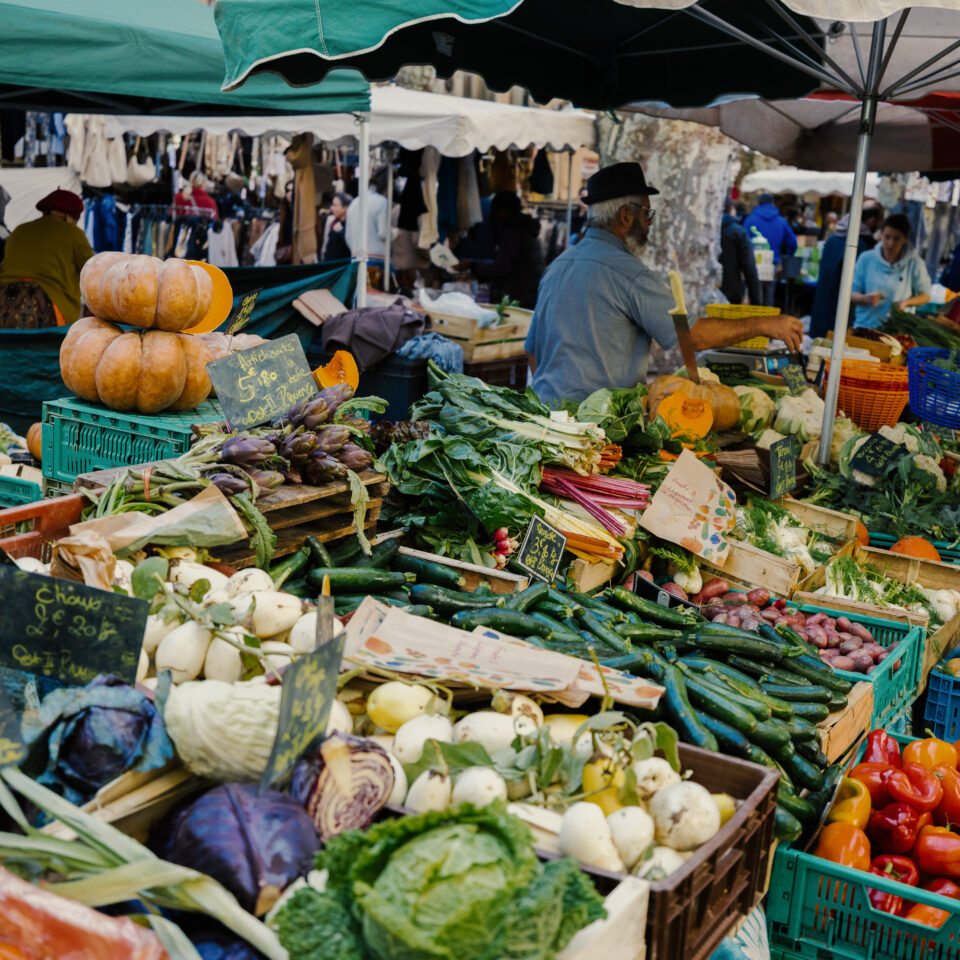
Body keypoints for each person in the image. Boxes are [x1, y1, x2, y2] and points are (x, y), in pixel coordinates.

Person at [524, 163, 803, 403]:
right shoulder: (629, 274)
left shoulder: (557, 266)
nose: (649, 224)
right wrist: (766, 324)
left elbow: (533, 352)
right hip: (598, 430)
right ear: (625, 215)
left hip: (547, 420)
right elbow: (694, 336)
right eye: (647, 214)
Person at [0, 188, 93, 328]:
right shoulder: (74, 234)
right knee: (44, 347)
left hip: (3, 300)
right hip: (44, 305)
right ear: (69, 216)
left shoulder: (19, 231)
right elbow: (91, 274)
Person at [810, 202, 884, 338]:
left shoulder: (833, 238)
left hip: (821, 309)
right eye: (878, 223)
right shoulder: (859, 244)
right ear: (872, 220)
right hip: (841, 314)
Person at [460, 192, 545, 309]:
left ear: (504, 210)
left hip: (521, 293)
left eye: (496, 211)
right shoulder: (524, 228)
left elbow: (502, 266)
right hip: (530, 290)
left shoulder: (513, 231)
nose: (494, 215)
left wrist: (472, 266)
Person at [851, 213, 931, 328]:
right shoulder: (866, 258)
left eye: (896, 239)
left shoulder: (914, 262)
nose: (890, 243)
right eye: (887, 237)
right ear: (881, 235)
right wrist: (865, 299)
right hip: (865, 326)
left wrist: (905, 303)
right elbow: (852, 293)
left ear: (905, 238)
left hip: (897, 329)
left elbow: (926, 295)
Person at [743, 192, 797, 306]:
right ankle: (768, 322)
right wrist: (785, 259)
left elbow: (743, 242)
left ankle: (753, 323)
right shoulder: (782, 221)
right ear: (773, 204)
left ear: (758, 204)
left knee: (754, 299)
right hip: (772, 264)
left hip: (753, 265)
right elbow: (792, 243)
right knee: (768, 299)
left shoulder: (750, 220)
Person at [719, 201, 761, 306]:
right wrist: (756, 302)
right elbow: (749, 268)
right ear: (731, 210)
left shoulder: (702, 230)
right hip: (731, 293)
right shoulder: (738, 231)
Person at [345, 164, 390, 259]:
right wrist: (395, 233)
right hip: (378, 256)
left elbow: (348, 237)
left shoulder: (354, 202)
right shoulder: (382, 201)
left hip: (356, 256)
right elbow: (383, 233)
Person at [318, 192, 351, 262]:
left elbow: (351, 246)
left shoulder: (351, 225)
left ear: (345, 208)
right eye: (332, 205)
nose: (332, 208)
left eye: (335, 205)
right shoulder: (334, 222)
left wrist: (341, 232)